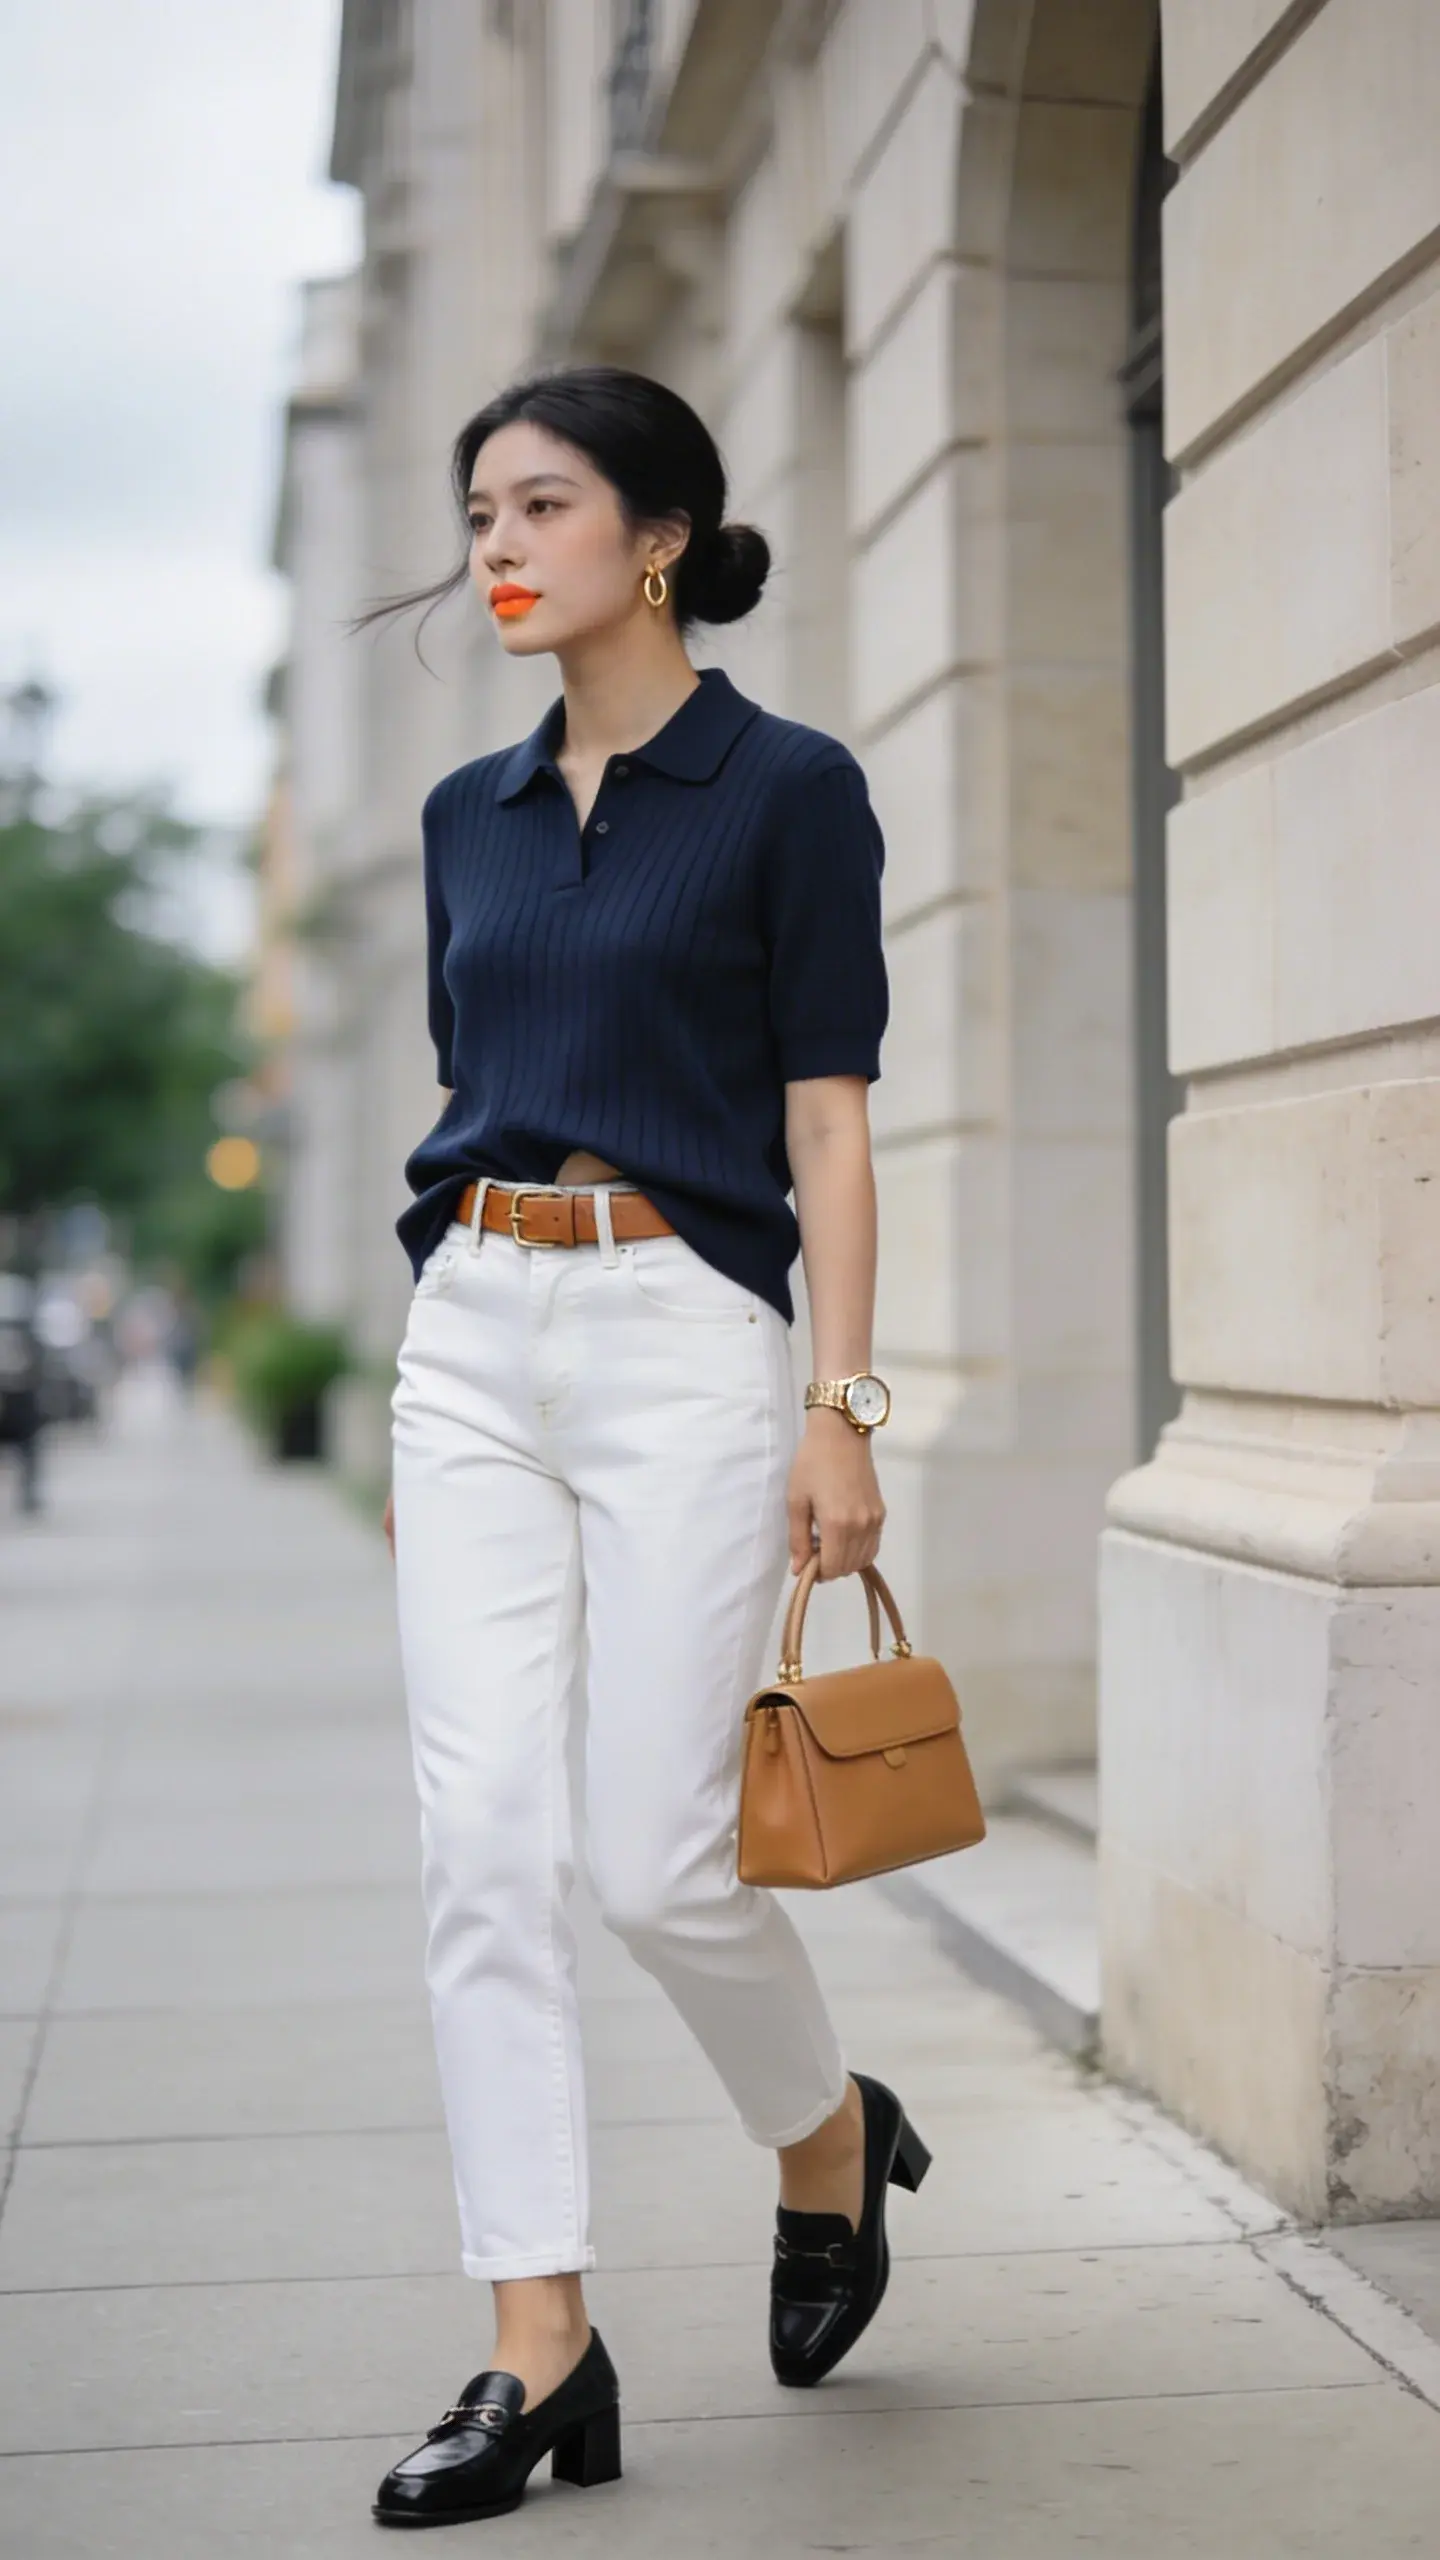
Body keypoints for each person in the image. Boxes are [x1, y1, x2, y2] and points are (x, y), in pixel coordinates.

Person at [368, 366, 927, 2531]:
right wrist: (445, 1351)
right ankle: (540, 2339)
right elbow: (472, 1074)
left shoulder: (788, 789)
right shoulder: (458, 817)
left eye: (540, 505)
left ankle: (827, 2134)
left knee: (660, 1853)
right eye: (475, 512)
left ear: (660, 532)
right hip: (478, 1327)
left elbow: (827, 1124)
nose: (494, 546)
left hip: (690, 1324)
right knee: (481, 1843)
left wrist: (841, 1407)